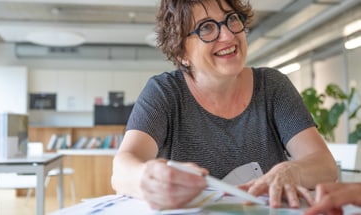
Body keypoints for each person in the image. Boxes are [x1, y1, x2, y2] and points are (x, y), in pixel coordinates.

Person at [111, 0, 337, 210]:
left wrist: (293, 171)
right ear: (181, 53)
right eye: (206, 28)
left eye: (232, 19)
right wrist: (146, 178)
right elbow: (121, 170)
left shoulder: (272, 86)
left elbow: (325, 165)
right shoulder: (165, 92)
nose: (228, 35)